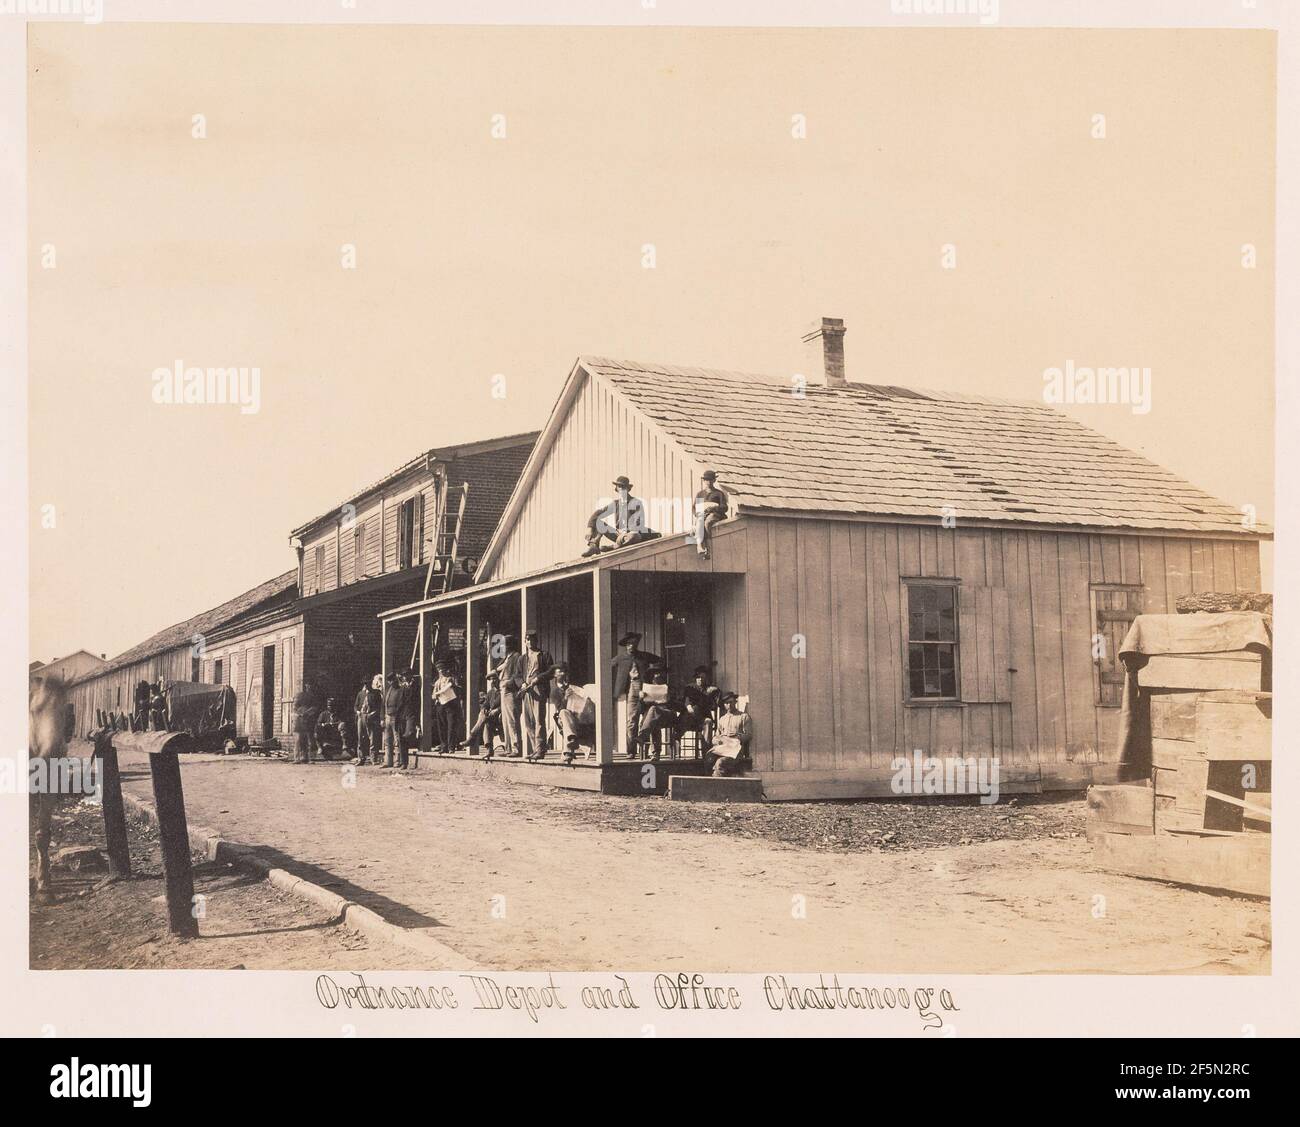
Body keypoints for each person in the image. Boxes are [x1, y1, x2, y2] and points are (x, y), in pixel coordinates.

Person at [610, 632, 661, 758]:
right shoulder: (620, 657)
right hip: (632, 688)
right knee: (632, 721)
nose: (631, 646)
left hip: (647, 688)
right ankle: (631, 751)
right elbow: (606, 666)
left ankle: (655, 752)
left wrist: (654, 674)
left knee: (650, 718)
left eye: (633, 643)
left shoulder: (643, 656)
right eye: (628, 644)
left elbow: (660, 661)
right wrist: (617, 685)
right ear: (625, 646)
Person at [582, 476, 652, 556]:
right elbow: (597, 513)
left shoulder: (636, 502)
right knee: (598, 523)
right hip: (618, 534)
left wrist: (627, 531)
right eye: (619, 486)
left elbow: (639, 523)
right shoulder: (615, 504)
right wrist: (590, 529)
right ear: (617, 489)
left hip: (630, 534)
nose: (621, 489)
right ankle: (594, 546)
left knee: (634, 536)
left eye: (624, 487)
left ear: (628, 489)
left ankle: (615, 547)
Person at [548, 662, 595, 763]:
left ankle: (570, 744)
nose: (563, 673)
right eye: (560, 671)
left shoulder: (573, 687)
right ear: (555, 675)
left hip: (579, 717)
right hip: (564, 719)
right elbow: (560, 709)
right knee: (564, 712)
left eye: (564, 671)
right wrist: (565, 697)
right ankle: (570, 745)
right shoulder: (554, 692)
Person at [520, 632, 554, 761]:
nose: (529, 642)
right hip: (526, 690)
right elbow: (518, 675)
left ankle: (540, 749)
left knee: (539, 720)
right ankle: (535, 748)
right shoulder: (523, 658)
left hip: (539, 688)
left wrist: (538, 679)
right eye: (527, 639)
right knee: (528, 721)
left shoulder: (544, 655)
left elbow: (551, 672)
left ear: (536, 640)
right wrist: (522, 683)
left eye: (532, 639)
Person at [705, 691, 753, 777]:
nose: (729, 705)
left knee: (720, 763)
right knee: (709, 759)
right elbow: (716, 736)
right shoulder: (722, 719)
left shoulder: (743, 717)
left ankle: (717, 786)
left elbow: (749, 735)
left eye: (731, 702)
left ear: (735, 702)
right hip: (722, 748)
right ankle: (713, 782)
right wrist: (717, 741)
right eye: (726, 703)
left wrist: (736, 738)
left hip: (735, 750)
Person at [637, 666, 678, 760]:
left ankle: (643, 735)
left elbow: (678, 706)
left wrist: (669, 699)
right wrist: (641, 699)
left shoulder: (669, 687)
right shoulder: (647, 689)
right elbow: (640, 710)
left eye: (659, 673)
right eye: (655, 673)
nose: (657, 675)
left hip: (668, 715)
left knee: (653, 710)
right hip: (654, 718)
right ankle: (656, 754)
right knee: (653, 717)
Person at [494, 635, 525, 758]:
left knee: (512, 719)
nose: (501, 647)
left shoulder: (516, 657)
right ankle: (508, 748)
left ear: (509, 645)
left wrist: (509, 682)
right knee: (505, 720)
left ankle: (516, 748)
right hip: (503, 690)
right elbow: (499, 669)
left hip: (511, 691)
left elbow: (517, 674)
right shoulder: (506, 658)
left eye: (503, 645)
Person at [462, 670, 503, 757]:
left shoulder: (503, 691)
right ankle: (489, 750)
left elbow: (505, 704)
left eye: (495, 679)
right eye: (491, 679)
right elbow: (485, 704)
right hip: (491, 718)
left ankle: (472, 737)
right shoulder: (490, 692)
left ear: (499, 679)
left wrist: (498, 710)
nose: (493, 681)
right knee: (485, 720)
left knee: (484, 719)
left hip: (501, 717)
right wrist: (484, 709)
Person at [679, 665, 719, 751]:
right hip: (690, 718)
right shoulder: (690, 687)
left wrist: (715, 691)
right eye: (698, 677)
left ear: (706, 678)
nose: (700, 679)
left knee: (708, 721)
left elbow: (715, 702)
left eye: (702, 677)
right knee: (692, 710)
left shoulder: (710, 689)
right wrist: (689, 706)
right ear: (695, 678)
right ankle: (677, 735)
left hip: (702, 719)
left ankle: (706, 753)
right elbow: (687, 701)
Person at [692, 470, 728, 559]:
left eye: (710, 480)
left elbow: (724, 507)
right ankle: (699, 546)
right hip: (702, 514)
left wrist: (714, 508)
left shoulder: (718, 493)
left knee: (708, 522)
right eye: (706, 480)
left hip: (715, 514)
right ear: (704, 481)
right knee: (699, 522)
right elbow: (694, 508)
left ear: (714, 480)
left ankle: (708, 548)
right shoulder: (700, 494)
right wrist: (697, 514)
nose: (708, 482)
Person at [431, 660, 463, 755]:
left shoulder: (451, 679)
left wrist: (453, 686)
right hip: (441, 704)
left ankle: (451, 747)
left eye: (443, 669)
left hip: (451, 705)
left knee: (451, 726)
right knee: (442, 726)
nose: (441, 672)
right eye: (439, 670)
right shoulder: (437, 682)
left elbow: (459, 689)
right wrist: (436, 695)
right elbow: (433, 695)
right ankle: (444, 746)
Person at [354, 676, 382, 765]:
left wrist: (373, 713)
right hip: (361, 716)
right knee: (360, 738)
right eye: (365, 684)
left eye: (368, 683)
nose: (367, 685)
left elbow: (379, 706)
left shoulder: (376, 693)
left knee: (372, 738)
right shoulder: (360, 694)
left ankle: (374, 759)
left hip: (371, 717)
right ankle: (361, 758)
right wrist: (357, 711)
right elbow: (356, 705)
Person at [292, 678, 320, 765]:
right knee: (298, 739)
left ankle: (308, 758)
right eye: (308, 685)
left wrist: (307, 713)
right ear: (305, 686)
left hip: (309, 720)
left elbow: (315, 708)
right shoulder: (299, 695)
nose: (309, 687)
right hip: (299, 720)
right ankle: (297, 758)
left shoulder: (313, 697)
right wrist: (301, 714)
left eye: (311, 685)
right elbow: (295, 707)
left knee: (309, 739)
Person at [381, 672, 404, 768]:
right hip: (387, 717)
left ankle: (397, 761)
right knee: (387, 740)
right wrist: (383, 718)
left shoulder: (400, 690)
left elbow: (401, 704)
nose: (392, 682)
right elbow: (383, 705)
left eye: (393, 680)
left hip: (396, 717)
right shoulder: (389, 690)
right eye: (390, 681)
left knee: (396, 740)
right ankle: (388, 761)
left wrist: (398, 716)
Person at [399, 671, 420, 767]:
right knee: (402, 738)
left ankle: (416, 740)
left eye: (406, 675)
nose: (405, 677)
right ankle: (404, 762)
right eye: (403, 676)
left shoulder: (415, 686)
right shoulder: (403, 687)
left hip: (412, 714)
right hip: (403, 714)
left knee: (408, 734)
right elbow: (400, 702)